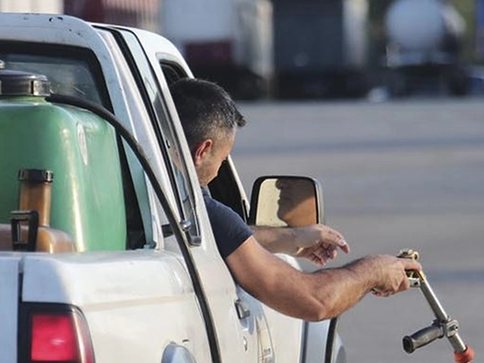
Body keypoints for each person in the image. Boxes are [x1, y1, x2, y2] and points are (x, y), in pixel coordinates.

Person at [168, 77, 420, 322]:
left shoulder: (159, 205)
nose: (217, 173)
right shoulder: (197, 211)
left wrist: (293, 238)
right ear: (202, 151)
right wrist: (374, 270)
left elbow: (221, 239)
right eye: (223, 160)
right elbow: (314, 300)